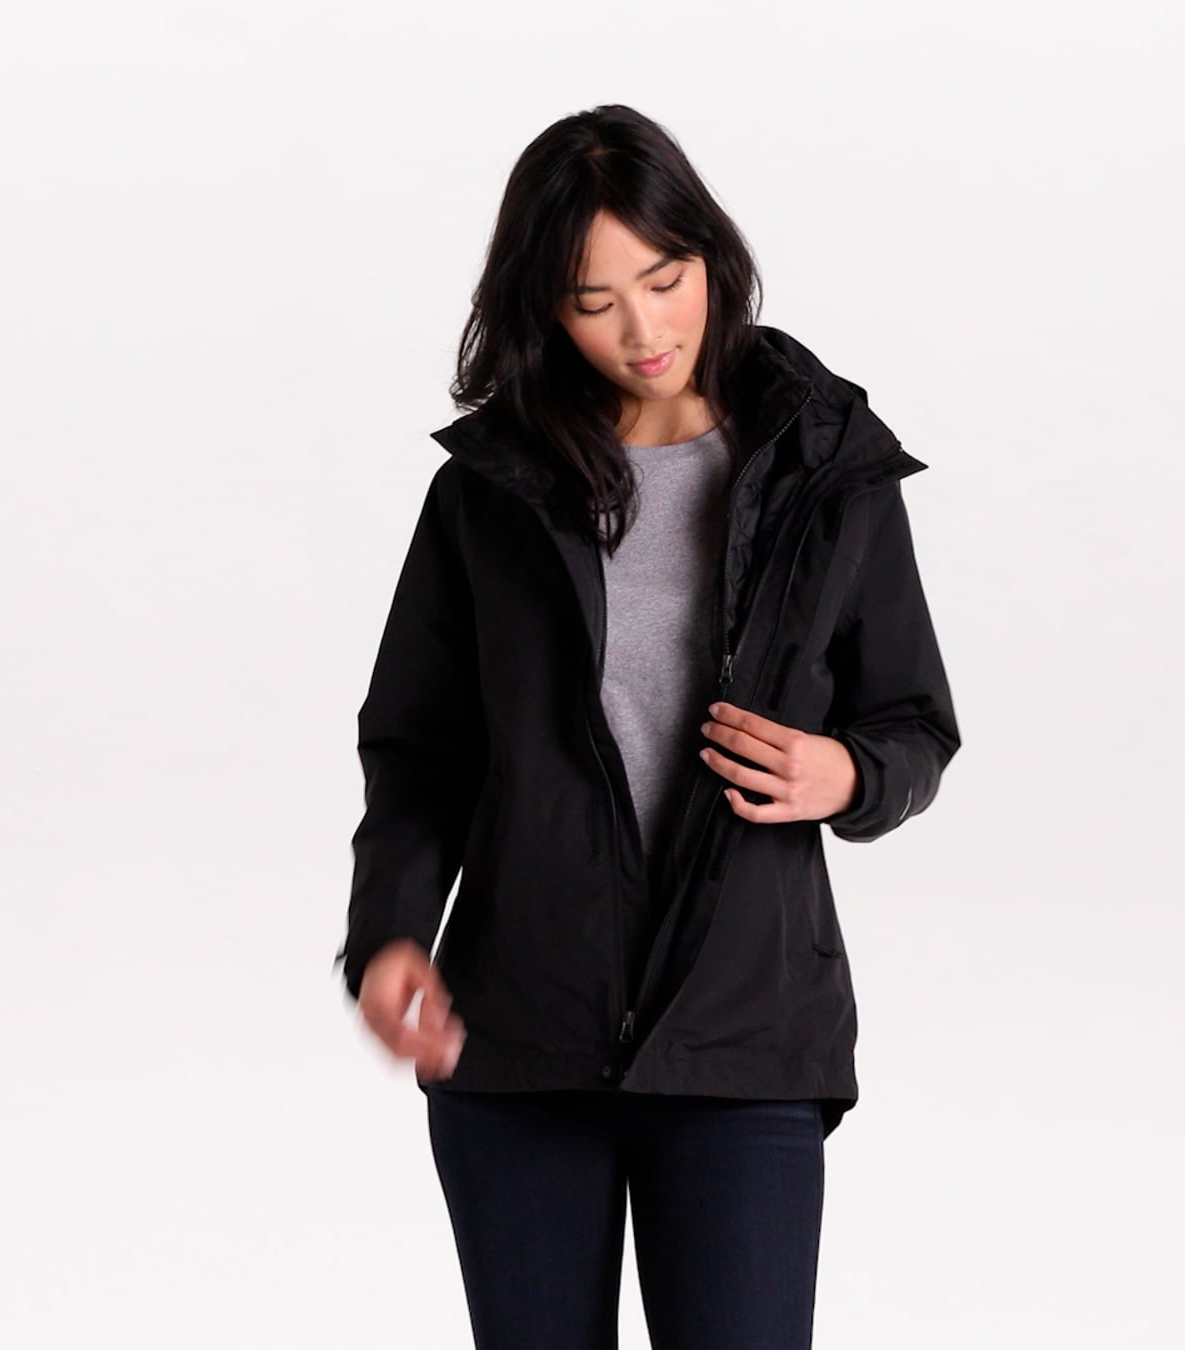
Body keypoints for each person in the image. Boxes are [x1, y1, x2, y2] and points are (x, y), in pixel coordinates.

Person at [332, 103, 962, 1350]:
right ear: (545, 311)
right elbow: (420, 750)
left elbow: (913, 722)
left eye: (665, 280)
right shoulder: (490, 496)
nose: (644, 330)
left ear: (711, 256)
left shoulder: (830, 475)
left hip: (746, 1040)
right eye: (594, 300)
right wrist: (389, 934)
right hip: (518, 1040)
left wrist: (848, 774)